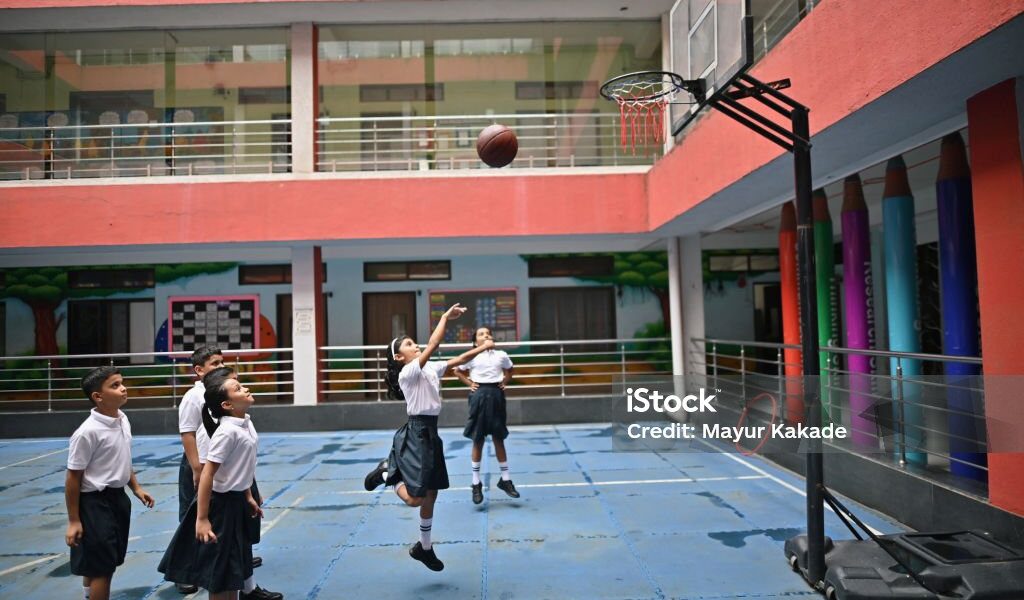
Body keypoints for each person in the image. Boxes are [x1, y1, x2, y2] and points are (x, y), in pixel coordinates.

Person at [363, 304, 494, 571]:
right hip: (417, 433)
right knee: (415, 499)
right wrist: (445, 317)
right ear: (399, 357)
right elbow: (434, 343)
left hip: (431, 433)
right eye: (409, 344)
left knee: (431, 494)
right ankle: (387, 473)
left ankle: (424, 547)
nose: (415, 345)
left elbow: (458, 360)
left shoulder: (430, 369)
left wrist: (482, 348)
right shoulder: (407, 373)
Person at [159, 370, 282, 600]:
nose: (245, 389)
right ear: (226, 404)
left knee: (232, 571)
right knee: (220, 575)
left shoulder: (245, 423)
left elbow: (239, 467)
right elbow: (208, 475)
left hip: (237, 502)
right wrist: (202, 518)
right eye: (238, 389)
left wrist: (248, 496)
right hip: (220, 507)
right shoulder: (226, 432)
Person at [65, 366, 155, 600]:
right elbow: (73, 477)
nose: (123, 388)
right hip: (94, 503)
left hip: (117, 499)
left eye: (122, 382)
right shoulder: (87, 432)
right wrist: (74, 520)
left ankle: (88, 595)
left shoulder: (122, 419)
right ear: (98, 396)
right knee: (103, 569)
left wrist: (135, 487)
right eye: (115, 385)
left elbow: (123, 457)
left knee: (101, 561)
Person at [174, 346, 225, 594]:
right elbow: (188, 433)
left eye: (221, 362)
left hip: (216, 463)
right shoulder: (193, 397)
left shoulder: (220, 392)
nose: (220, 367)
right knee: (191, 516)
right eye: (214, 364)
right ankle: (184, 570)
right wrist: (196, 468)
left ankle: (219, 558)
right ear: (199, 370)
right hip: (198, 464)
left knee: (218, 511)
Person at [454, 326, 519, 504]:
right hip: (479, 395)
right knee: (478, 438)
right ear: (476, 342)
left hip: (496, 394)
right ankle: (476, 483)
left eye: (488, 333)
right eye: (481, 334)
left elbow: (510, 370)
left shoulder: (501, 355)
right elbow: (457, 370)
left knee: (499, 437)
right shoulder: (472, 355)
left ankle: (505, 479)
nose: (486, 335)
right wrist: (469, 383)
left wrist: (504, 381)